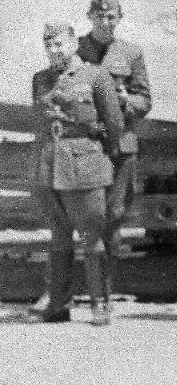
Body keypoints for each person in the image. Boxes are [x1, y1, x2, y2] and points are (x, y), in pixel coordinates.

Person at [29, 23, 123, 325]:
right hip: (49, 166)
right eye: (48, 45)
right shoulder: (41, 79)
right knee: (59, 236)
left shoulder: (96, 76)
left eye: (58, 43)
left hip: (85, 166)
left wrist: (96, 155)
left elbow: (114, 125)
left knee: (92, 237)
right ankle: (58, 304)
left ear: (73, 43)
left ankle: (100, 303)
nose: (53, 50)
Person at [76, 0, 152, 261]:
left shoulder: (131, 52)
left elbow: (145, 100)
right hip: (86, 143)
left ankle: (105, 290)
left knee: (115, 212)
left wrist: (125, 99)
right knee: (88, 213)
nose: (105, 22)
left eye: (111, 16)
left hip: (121, 144)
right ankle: (89, 283)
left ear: (120, 18)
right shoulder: (75, 50)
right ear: (89, 17)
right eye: (99, 16)